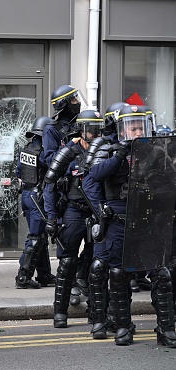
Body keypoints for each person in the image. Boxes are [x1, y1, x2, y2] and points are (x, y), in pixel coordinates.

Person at [87, 104, 149, 345]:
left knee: (161, 273)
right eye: (132, 127)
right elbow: (93, 177)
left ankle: (165, 328)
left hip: (145, 219)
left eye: (140, 126)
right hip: (115, 219)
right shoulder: (108, 147)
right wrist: (119, 155)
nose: (137, 131)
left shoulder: (151, 150)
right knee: (108, 270)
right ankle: (111, 322)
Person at [43, 110, 104, 328]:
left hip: (96, 212)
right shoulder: (69, 152)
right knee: (67, 262)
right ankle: (60, 312)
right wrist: (51, 217)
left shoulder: (104, 152)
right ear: (82, 130)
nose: (95, 134)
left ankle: (96, 313)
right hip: (74, 211)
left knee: (96, 262)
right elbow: (49, 185)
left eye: (98, 129)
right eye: (91, 130)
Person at [15, 116, 56, 289]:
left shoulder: (27, 149)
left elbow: (19, 171)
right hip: (39, 198)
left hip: (27, 195)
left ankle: (44, 274)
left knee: (40, 236)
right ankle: (23, 276)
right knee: (36, 237)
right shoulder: (44, 152)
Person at [41, 85, 86, 167]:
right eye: (74, 100)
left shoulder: (80, 125)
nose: (78, 102)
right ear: (64, 104)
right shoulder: (51, 130)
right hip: (64, 177)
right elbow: (50, 160)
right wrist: (70, 144)